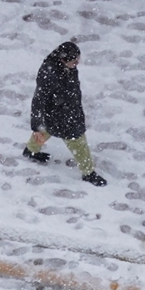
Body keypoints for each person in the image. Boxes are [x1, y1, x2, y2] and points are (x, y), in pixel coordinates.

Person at [23, 41, 106, 187]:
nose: (77, 64)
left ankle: (31, 150)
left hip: (63, 112)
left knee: (45, 130)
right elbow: (38, 100)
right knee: (79, 143)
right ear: (62, 59)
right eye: (74, 61)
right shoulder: (49, 74)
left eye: (78, 60)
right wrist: (35, 125)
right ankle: (88, 173)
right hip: (63, 116)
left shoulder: (65, 67)